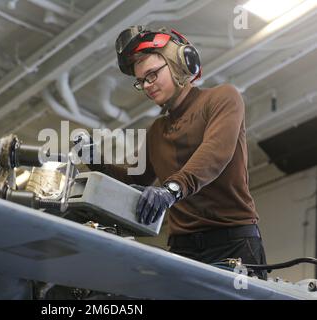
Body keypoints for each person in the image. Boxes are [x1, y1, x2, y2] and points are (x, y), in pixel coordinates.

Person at [74, 25, 267, 279]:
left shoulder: (222, 98)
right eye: (141, 81)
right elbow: (133, 178)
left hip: (234, 243)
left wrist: (171, 190)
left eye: (152, 74)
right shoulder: (157, 130)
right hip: (182, 248)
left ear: (180, 62)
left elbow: (215, 153)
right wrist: (95, 161)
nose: (147, 85)